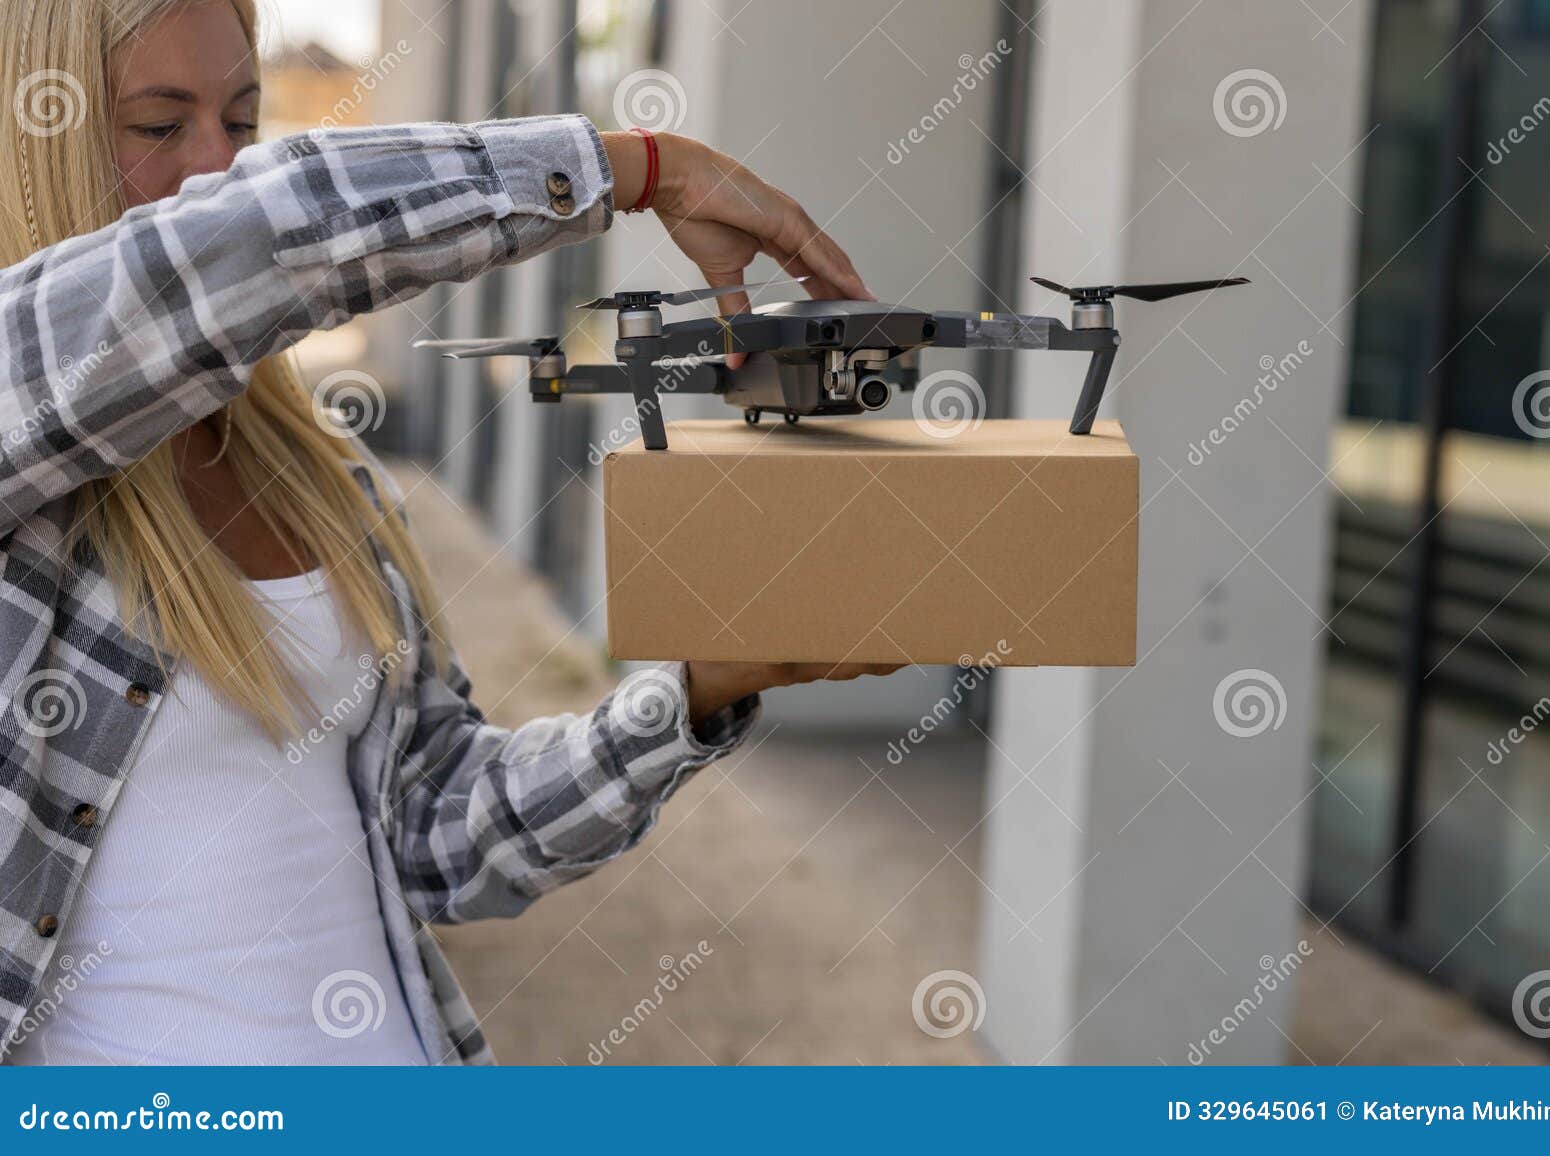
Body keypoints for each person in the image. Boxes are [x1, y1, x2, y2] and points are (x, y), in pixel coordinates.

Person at [0, 0, 895, 1066]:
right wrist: (631, 167)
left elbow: (435, 835)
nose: (214, 168)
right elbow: (243, 241)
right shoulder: (23, 434)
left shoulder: (323, 472)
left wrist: (689, 694)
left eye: (242, 123)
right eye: (158, 126)